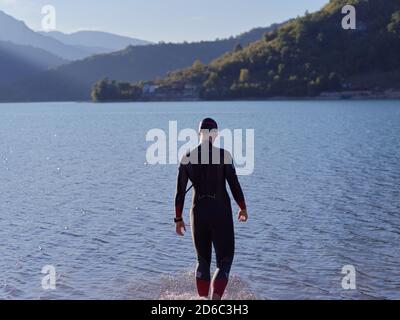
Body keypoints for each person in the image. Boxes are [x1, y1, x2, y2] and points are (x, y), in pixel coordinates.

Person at [174, 118, 248, 300]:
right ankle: (215, 303)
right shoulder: (224, 156)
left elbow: (180, 193)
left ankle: (202, 302)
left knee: (202, 261)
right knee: (224, 260)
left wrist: (178, 219)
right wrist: (243, 208)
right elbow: (234, 185)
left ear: (198, 133)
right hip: (220, 210)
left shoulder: (187, 157)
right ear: (215, 134)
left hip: (198, 211)